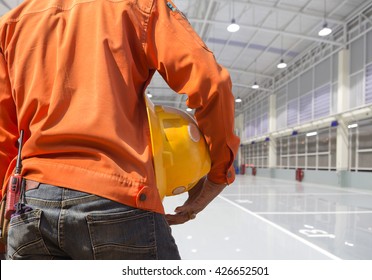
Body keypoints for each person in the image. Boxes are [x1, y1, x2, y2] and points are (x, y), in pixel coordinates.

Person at [0, 0, 240, 260]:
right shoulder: (140, 6)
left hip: (32, 207)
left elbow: (4, 136)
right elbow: (211, 82)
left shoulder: (11, 25)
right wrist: (218, 175)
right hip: (118, 199)